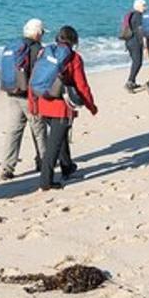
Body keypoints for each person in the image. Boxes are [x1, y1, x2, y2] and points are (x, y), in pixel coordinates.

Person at [28, 25, 98, 191]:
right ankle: (46, 181)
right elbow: (82, 86)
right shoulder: (74, 58)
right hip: (62, 108)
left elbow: (34, 79)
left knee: (60, 138)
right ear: (74, 41)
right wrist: (91, 106)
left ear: (57, 38)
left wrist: (33, 104)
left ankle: (67, 168)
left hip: (44, 102)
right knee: (54, 146)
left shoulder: (44, 53)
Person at [0, 18, 48, 180]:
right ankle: (43, 162)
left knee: (13, 132)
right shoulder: (36, 49)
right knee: (39, 129)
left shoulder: (14, 45)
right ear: (37, 33)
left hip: (12, 93)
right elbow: (39, 73)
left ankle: (7, 167)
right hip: (29, 96)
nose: (42, 36)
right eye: (41, 33)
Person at [122, 0, 147, 92]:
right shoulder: (139, 16)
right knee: (138, 62)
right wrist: (145, 44)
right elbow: (140, 31)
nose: (145, 7)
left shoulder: (130, 14)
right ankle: (129, 82)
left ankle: (133, 81)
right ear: (139, 7)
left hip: (128, 41)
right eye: (144, 5)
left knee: (135, 62)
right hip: (135, 42)